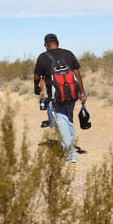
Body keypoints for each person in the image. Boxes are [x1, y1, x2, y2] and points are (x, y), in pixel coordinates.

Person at [33, 33, 87, 163]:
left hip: (56, 98)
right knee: (69, 119)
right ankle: (71, 147)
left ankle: (69, 155)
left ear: (46, 44)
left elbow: (37, 77)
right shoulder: (68, 54)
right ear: (58, 42)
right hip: (72, 95)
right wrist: (82, 92)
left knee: (62, 122)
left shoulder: (43, 57)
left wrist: (36, 87)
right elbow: (77, 74)